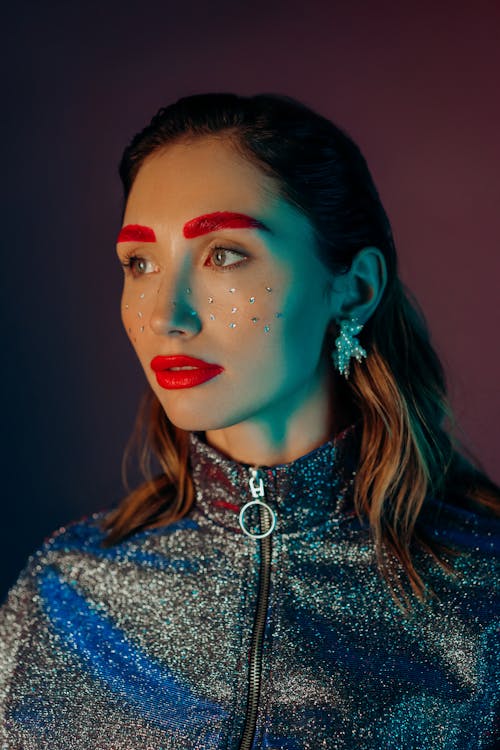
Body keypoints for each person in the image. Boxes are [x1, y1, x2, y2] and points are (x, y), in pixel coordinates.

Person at [0, 92, 498, 750]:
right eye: (139, 263)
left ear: (353, 288)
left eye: (224, 255)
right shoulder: (63, 595)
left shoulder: (483, 596)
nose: (165, 315)